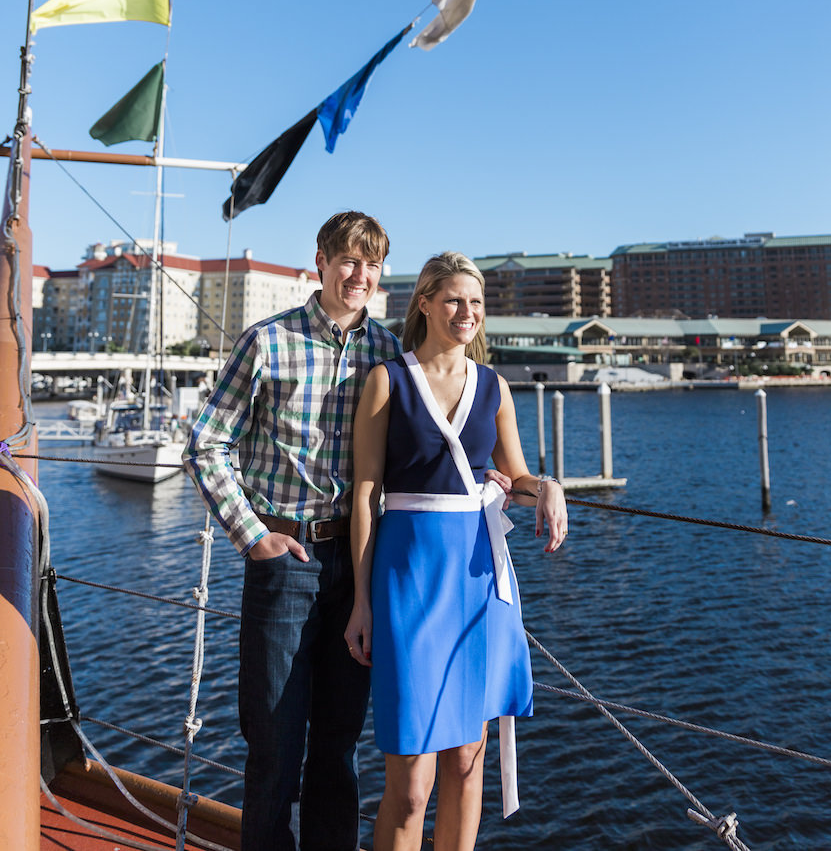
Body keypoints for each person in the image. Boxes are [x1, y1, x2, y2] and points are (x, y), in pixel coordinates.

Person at [183, 211, 402, 851]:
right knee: (275, 745)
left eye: (372, 264)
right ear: (322, 262)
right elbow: (206, 444)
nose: (360, 275)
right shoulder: (267, 341)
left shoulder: (388, 351)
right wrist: (253, 535)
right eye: (349, 261)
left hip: (359, 563)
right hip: (285, 559)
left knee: (339, 747)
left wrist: (514, 481)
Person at [345, 251, 568, 851]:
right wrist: (361, 602)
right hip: (409, 577)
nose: (467, 312)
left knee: (468, 764)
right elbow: (367, 493)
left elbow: (514, 475)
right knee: (411, 782)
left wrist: (547, 487)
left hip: (477, 577)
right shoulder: (387, 380)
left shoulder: (495, 386)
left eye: (475, 302)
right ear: (424, 303)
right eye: (453, 300)